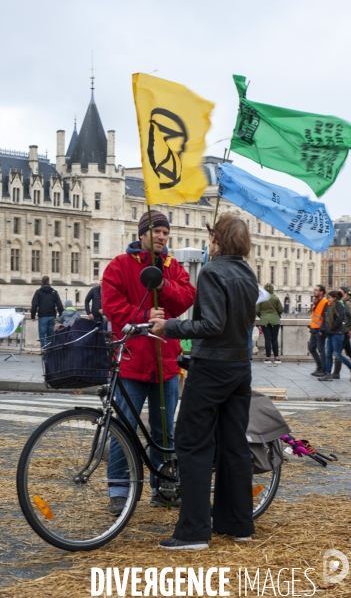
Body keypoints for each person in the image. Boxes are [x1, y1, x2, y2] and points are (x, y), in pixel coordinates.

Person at [150, 213, 259, 550]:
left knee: (192, 442)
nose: (209, 241)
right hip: (240, 368)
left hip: (212, 368)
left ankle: (194, 531)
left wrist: (169, 327)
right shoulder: (247, 273)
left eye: (212, 236)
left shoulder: (213, 271)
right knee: (234, 445)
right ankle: (238, 524)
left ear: (218, 239)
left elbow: (211, 325)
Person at [102, 209, 196, 516]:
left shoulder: (172, 267)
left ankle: (162, 487)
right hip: (132, 362)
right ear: (142, 233)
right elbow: (112, 306)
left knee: (163, 432)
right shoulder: (119, 266)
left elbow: (186, 297)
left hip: (165, 363)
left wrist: (163, 287)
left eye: (165, 233)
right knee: (123, 428)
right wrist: (143, 316)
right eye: (156, 231)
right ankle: (118, 489)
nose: (161, 237)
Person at [318, 291, 351, 381]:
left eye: (329, 297)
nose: (328, 299)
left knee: (338, 355)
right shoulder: (331, 305)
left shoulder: (338, 305)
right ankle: (328, 374)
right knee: (328, 353)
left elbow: (340, 318)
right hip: (331, 333)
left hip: (337, 334)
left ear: (334, 298)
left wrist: (332, 328)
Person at [31, 276, 64, 348]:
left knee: (42, 335)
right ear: (49, 282)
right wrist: (61, 316)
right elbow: (59, 305)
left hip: (42, 316)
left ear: (42, 283)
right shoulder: (54, 292)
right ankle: (49, 351)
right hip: (52, 316)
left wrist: (33, 316)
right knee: (50, 335)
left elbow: (34, 305)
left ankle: (46, 350)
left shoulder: (38, 292)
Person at [255, 283, 283, 364]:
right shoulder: (276, 298)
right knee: (274, 339)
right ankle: (277, 358)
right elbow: (281, 309)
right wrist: (276, 314)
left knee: (268, 339)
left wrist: (262, 316)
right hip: (275, 320)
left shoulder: (261, 299)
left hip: (264, 320)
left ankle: (267, 358)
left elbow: (257, 310)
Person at [308, 285, 328, 377]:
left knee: (321, 350)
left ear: (321, 292)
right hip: (314, 329)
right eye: (314, 289)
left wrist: (322, 329)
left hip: (320, 330)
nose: (314, 291)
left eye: (316, 290)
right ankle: (319, 366)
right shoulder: (316, 301)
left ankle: (323, 370)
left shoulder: (325, 302)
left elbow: (325, 318)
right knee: (311, 348)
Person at [333, 287, 351, 379]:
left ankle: (336, 373)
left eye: (340, 292)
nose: (338, 294)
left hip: (345, 330)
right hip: (343, 330)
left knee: (338, 352)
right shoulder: (342, 302)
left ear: (346, 294)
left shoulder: (347, 303)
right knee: (348, 352)